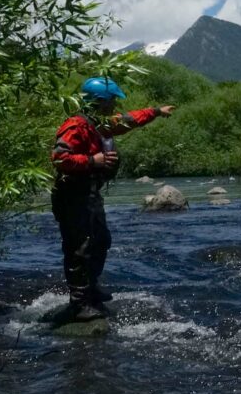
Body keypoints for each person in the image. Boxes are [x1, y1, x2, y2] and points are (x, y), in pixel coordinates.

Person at [51, 77, 174, 320]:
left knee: (101, 241)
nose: (115, 105)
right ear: (100, 102)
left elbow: (129, 120)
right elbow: (58, 158)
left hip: (89, 194)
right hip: (72, 195)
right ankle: (79, 304)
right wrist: (90, 161)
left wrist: (157, 111)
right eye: (112, 101)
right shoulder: (75, 126)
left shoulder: (100, 123)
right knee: (79, 249)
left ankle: (91, 289)